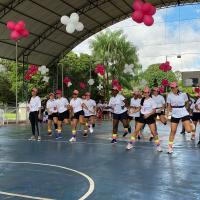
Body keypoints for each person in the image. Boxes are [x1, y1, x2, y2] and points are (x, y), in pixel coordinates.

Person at [126, 87, 162, 152]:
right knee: (136, 130)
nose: (145, 94)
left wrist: (148, 114)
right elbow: (140, 108)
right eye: (144, 92)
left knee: (153, 132)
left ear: (149, 93)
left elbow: (154, 111)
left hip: (150, 117)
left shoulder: (152, 101)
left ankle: (158, 146)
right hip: (142, 116)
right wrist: (132, 112)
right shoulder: (142, 99)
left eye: (147, 92)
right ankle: (130, 143)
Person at [166, 82, 194, 154]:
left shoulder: (183, 94)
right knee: (173, 131)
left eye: (174, 87)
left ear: (177, 87)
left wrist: (187, 109)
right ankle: (170, 147)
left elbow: (187, 102)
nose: (173, 89)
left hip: (183, 111)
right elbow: (169, 105)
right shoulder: (169, 95)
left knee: (188, 130)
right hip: (175, 113)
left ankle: (191, 124)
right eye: (172, 87)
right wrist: (167, 114)